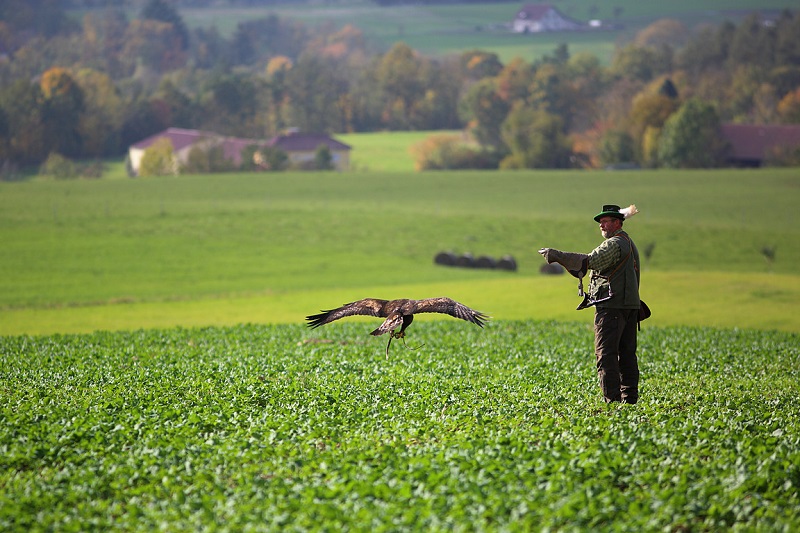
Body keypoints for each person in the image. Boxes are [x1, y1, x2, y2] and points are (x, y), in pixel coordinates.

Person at [539, 204, 641, 404]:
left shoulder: (615, 244)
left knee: (606, 355)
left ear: (618, 222)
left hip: (612, 307)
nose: (602, 225)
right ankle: (629, 401)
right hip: (629, 306)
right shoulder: (628, 242)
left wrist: (557, 256)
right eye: (601, 222)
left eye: (606, 221)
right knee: (627, 355)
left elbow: (591, 261)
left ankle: (612, 402)